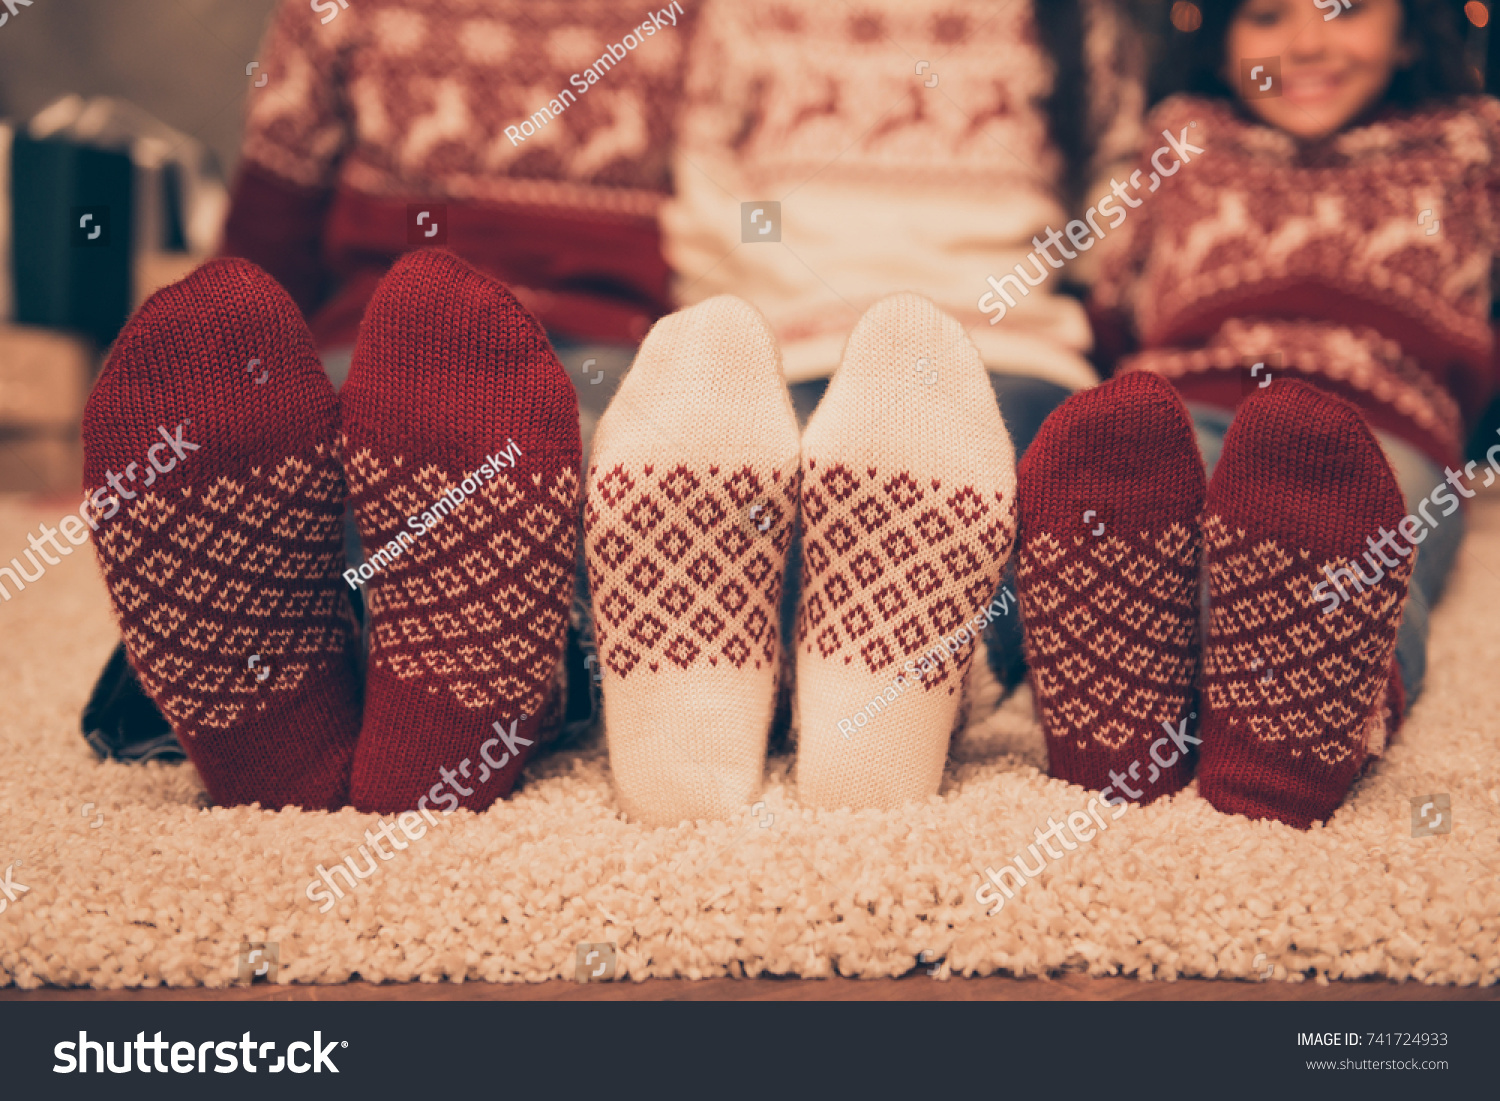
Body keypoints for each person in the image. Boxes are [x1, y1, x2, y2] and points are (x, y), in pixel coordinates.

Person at [583, 0, 1151, 822]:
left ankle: (914, 685)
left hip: (1003, 337)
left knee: (1023, 520)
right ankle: (782, 683)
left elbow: (1115, 177)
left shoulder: (1072, 17)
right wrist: (728, 309)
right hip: (786, 331)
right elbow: (704, 173)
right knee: (735, 508)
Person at [1020, 0, 1495, 828]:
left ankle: (1320, 712)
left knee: (1379, 561)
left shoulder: (1471, 138)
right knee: (1142, 521)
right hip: (1188, 393)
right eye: (1269, 17)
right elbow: (1116, 294)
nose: (1306, 43)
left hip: (1380, 417)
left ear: (1413, 28)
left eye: (1344, 11)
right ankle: (1123, 720)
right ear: (1223, 36)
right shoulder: (1184, 134)